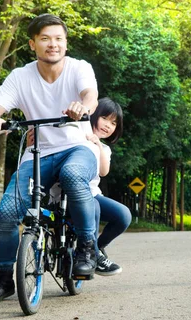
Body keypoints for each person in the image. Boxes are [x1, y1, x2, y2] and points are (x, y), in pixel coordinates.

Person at [0, 13, 100, 305]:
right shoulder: (21, 76)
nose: (53, 44)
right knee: (7, 213)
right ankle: (5, 276)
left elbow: (91, 96)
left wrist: (82, 108)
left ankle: (87, 247)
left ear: (66, 43)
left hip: (77, 148)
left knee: (73, 176)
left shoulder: (78, 68)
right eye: (45, 39)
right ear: (33, 44)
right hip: (38, 153)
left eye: (59, 39)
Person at [49, 97, 131, 275]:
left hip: (93, 193)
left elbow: (103, 171)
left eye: (113, 123)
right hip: (65, 196)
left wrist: (98, 146)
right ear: (93, 114)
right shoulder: (75, 132)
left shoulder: (105, 149)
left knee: (123, 215)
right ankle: (91, 253)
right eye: (105, 118)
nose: (108, 125)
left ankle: (96, 250)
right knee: (92, 205)